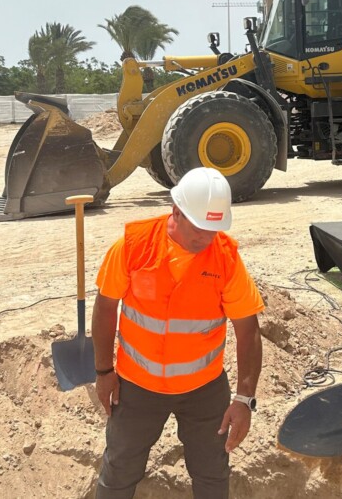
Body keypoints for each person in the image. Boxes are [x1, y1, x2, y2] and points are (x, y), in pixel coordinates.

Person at [91, 167, 265, 499]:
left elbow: (248, 329)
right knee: (119, 471)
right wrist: (103, 370)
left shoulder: (226, 259)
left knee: (212, 474)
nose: (207, 238)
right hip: (137, 386)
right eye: (200, 228)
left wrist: (244, 399)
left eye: (214, 229)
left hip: (204, 390)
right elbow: (105, 307)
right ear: (176, 211)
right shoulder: (133, 246)